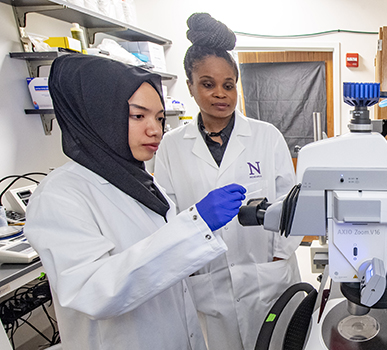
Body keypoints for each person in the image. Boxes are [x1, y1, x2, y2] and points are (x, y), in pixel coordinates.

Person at [24, 54, 247, 350]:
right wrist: (196, 226)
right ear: (98, 116)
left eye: (158, 118)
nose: (155, 130)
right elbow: (96, 290)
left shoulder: (141, 182)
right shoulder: (60, 195)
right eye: (138, 116)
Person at [153, 13, 302, 350]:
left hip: (267, 278)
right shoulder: (171, 147)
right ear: (190, 87)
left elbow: (291, 203)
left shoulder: (266, 137)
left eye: (228, 84)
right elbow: (169, 217)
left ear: (237, 86)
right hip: (209, 283)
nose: (219, 94)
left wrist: (278, 259)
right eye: (207, 84)